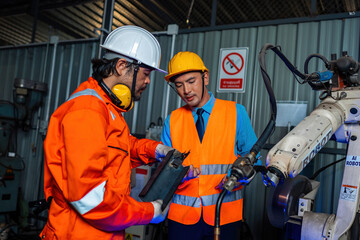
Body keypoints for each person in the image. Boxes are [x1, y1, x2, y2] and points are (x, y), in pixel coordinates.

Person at [40, 25, 174, 240]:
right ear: (122, 66)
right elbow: (89, 196)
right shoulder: (87, 111)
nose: (148, 81)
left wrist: (154, 149)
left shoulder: (107, 108)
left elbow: (117, 147)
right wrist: (149, 212)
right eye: (146, 73)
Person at [161, 51, 258, 240]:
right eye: (179, 85)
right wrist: (178, 174)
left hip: (225, 216)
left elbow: (253, 157)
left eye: (191, 81)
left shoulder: (236, 113)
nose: (186, 91)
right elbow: (163, 170)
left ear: (205, 77)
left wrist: (240, 178)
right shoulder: (172, 120)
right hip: (181, 220)